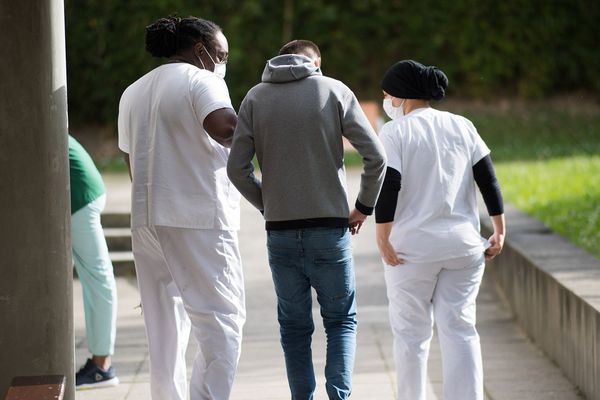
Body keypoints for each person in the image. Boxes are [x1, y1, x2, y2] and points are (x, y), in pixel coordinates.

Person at [227, 39, 386, 400]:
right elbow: (376, 157)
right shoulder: (334, 91)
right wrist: (363, 206)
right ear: (317, 61)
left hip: (280, 233)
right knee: (341, 321)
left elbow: (236, 169)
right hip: (330, 230)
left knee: (294, 328)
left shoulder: (255, 97)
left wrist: (268, 204)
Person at [117, 16, 245, 400]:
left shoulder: (132, 91)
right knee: (222, 320)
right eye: (220, 54)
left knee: (164, 328)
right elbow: (225, 128)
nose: (223, 62)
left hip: (147, 219)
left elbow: (129, 160)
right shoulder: (202, 80)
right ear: (200, 50)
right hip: (198, 217)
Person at [374, 60, 506, 400]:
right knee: (460, 329)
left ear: (401, 96)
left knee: (411, 335)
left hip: (411, 250)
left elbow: (390, 184)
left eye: (388, 94)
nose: (386, 100)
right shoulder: (462, 125)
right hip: (463, 248)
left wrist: (382, 236)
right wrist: (498, 230)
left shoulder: (395, 132)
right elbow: (487, 178)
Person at [69, 134, 119, 390]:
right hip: (80, 193)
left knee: (98, 280)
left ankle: (102, 367)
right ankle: (101, 363)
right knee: (98, 279)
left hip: (80, 198)